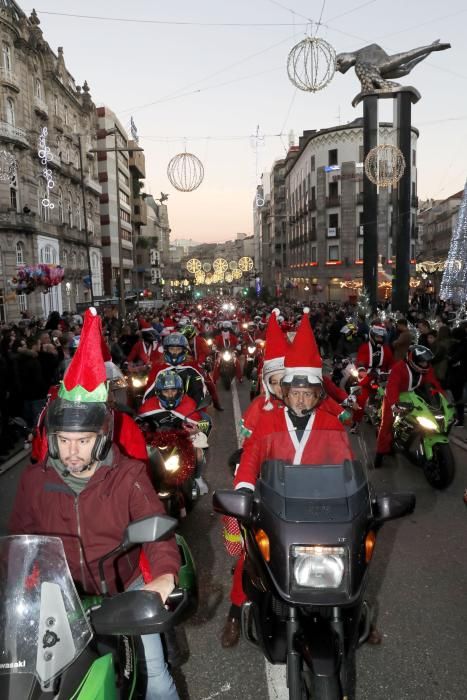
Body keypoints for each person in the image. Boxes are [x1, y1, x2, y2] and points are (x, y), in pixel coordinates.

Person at [9, 308, 181, 700]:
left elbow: (156, 529)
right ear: (51, 437)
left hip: (124, 593)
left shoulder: (128, 476)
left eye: (82, 440)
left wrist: (163, 577)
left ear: (101, 437)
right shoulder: (35, 481)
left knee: (156, 679)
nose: (72, 451)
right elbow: (19, 540)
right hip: (61, 601)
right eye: (64, 440)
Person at [221, 309, 289, 649]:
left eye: (285, 381)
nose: (281, 387)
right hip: (266, 490)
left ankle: (350, 614)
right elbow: (248, 453)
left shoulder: (309, 408)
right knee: (250, 557)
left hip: (301, 495)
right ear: (266, 381)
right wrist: (245, 480)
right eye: (275, 381)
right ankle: (235, 613)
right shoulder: (256, 410)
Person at [138, 370, 209, 494]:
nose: (170, 395)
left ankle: (197, 478)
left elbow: (204, 422)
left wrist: (196, 429)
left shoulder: (189, 403)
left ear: (180, 391)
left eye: (173, 390)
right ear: (159, 393)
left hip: (183, 438)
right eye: (166, 391)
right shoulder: (148, 406)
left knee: (198, 452)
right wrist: (144, 427)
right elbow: (138, 423)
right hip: (157, 441)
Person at [374, 344, 445, 468]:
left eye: (426, 361)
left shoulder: (427, 368)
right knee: (386, 425)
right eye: (422, 362)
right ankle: (380, 453)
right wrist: (394, 404)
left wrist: (441, 399)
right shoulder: (399, 368)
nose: (425, 364)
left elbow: (433, 383)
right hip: (394, 397)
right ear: (414, 360)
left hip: (412, 396)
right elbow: (392, 387)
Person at [144, 333, 207, 408]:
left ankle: (217, 403)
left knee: (204, 417)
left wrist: (196, 408)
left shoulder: (191, 366)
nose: (174, 352)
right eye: (172, 349)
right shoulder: (158, 368)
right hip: (162, 409)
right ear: (166, 350)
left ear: (184, 350)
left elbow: (199, 391)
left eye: (178, 349)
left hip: (187, 408)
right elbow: (149, 394)